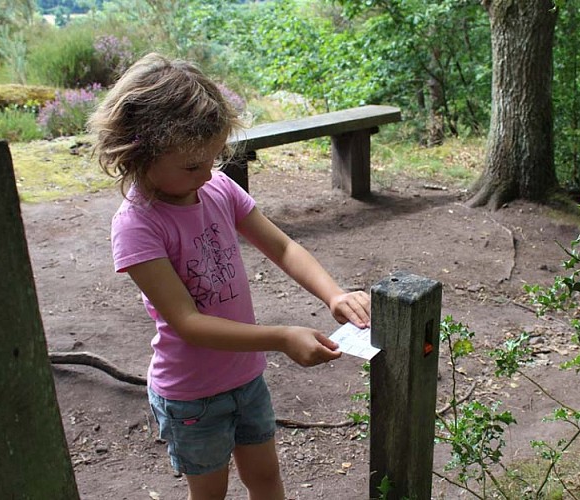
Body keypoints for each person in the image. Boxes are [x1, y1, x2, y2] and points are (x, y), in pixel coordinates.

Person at [88, 53, 371, 500]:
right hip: (191, 398)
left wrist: (333, 295)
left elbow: (282, 246)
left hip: (246, 379)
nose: (207, 173)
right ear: (139, 153)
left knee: (265, 479)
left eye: (214, 157)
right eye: (192, 165)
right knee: (210, 494)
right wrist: (280, 337)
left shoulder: (217, 187)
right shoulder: (137, 225)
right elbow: (188, 322)